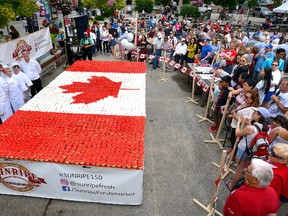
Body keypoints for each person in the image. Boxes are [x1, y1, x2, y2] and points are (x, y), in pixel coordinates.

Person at [268, 143, 288, 208]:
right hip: (283, 189)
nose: (269, 152)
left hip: (283, 193)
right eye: (271, 150)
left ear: (283, 161)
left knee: (273, 207)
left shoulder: (276, 176)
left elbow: (272, 194)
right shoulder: (274, 162)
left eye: (273, 154)